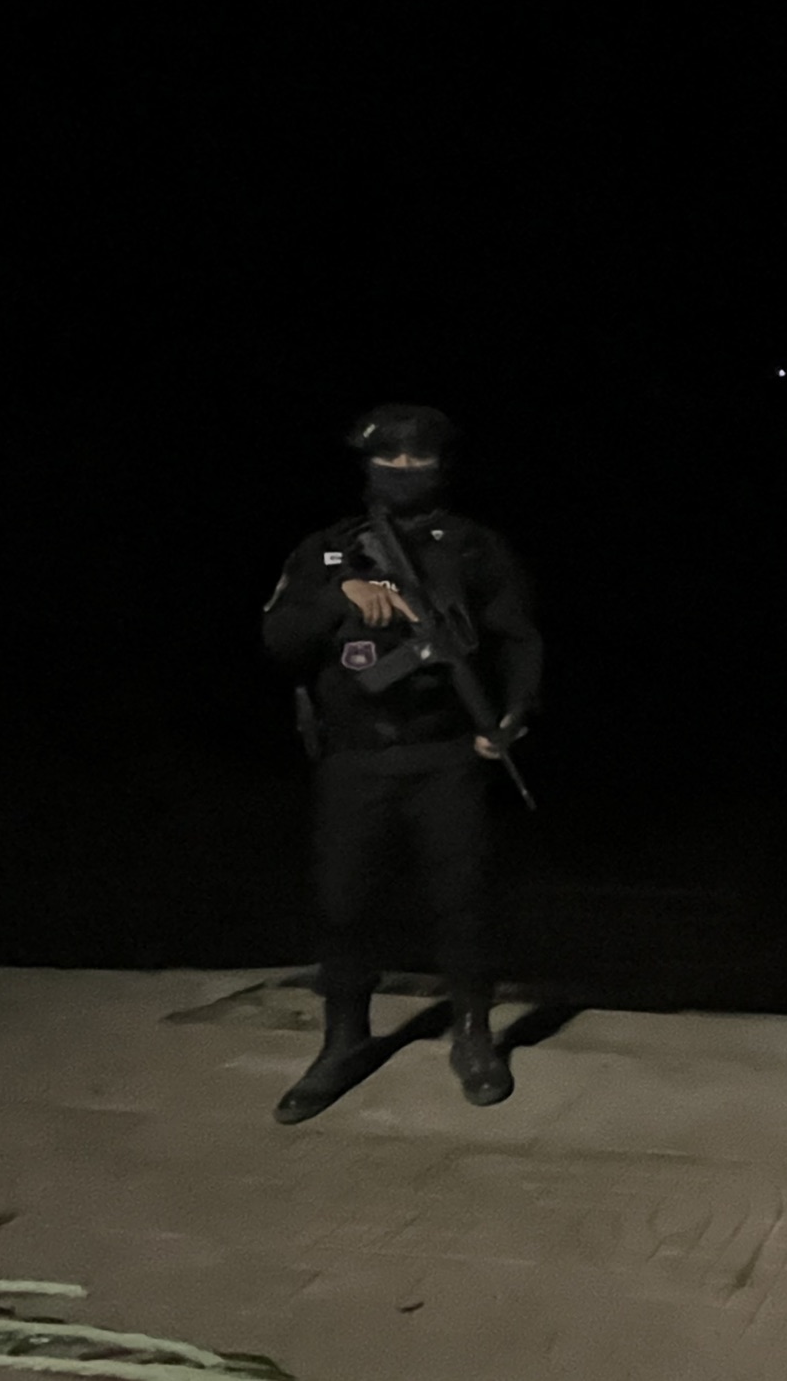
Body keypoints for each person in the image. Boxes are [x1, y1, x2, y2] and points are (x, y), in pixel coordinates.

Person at [261, 403, 541, 1123]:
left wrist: (510, 717)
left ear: (443, 466)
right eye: (390, 459)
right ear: (367, 465)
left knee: (463, 901)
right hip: (353, 760)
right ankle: (343, 1041)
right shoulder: (328, 549)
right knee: (343, 904)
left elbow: (517, 638)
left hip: (446, 757)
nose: (405, 470)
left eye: (420, 460)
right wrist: (340, 595)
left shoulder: (472, 548)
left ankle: (474, 1037)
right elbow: (280, 640)